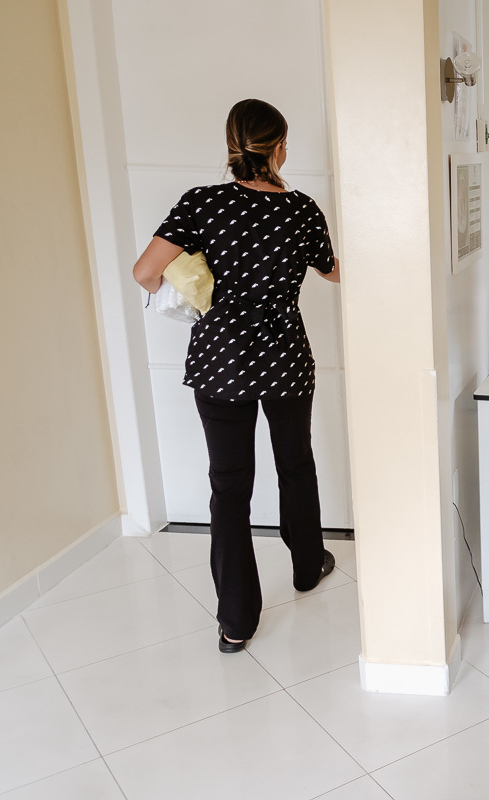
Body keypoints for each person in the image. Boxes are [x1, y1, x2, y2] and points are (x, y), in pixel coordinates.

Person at [133, 99, 342, 653]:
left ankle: (236, 621)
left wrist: (189, 290)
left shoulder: (200, 204)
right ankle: (305, 567)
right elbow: (333, 271)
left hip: (220, 358)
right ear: (278, 147)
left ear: (233, 145)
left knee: (229, 487)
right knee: (295, 464)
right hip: (285, 356)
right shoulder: (301, 209)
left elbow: (144, 272)